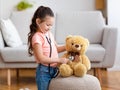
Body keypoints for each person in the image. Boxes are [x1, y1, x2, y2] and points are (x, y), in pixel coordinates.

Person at [28, 6, 69, 90]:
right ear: (38, 21)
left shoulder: (49, 34)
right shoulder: (37, 37)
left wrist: (67, 47)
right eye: (47, 25)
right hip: (44, 72)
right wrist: (59, 60)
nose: (49, 28)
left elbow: (56, 49)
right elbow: (41, 58)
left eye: (51, 25)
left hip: (54, 69)